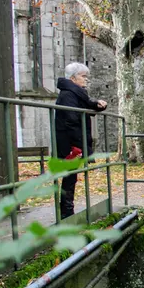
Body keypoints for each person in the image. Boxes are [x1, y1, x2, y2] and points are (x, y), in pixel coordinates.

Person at [55, 63, 107, 219]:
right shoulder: (68, 95)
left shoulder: (74, 93)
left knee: (71, 176)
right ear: (73, 78)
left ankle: (67, 211)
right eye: (83, 76)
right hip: (70, 144)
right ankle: (66, 212)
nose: (86, 80)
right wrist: (78, 146)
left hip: (73, 142)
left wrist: (97, 105)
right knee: (70, 177)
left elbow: (85, 105)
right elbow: (71, 120)